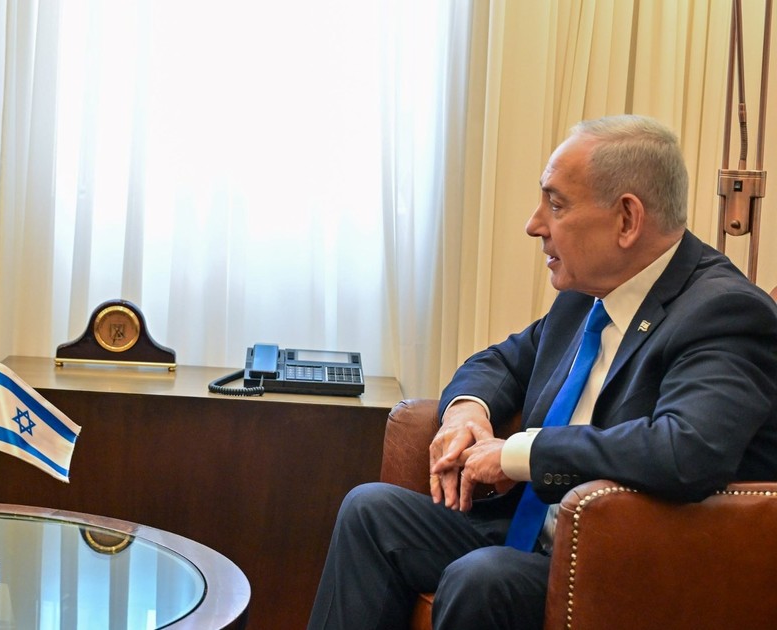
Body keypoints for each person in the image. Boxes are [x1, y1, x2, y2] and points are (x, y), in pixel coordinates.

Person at [308, 115, 777, 629]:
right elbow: (499, 362)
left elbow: (686, 450)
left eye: (556, 204)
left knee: (482, 577)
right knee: (370, 511)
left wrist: (518, 455)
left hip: (626, 563)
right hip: (532, 535)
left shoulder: (724, 312)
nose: (535, 224)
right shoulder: (586, 296)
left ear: (627, 219)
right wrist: (466, 413)